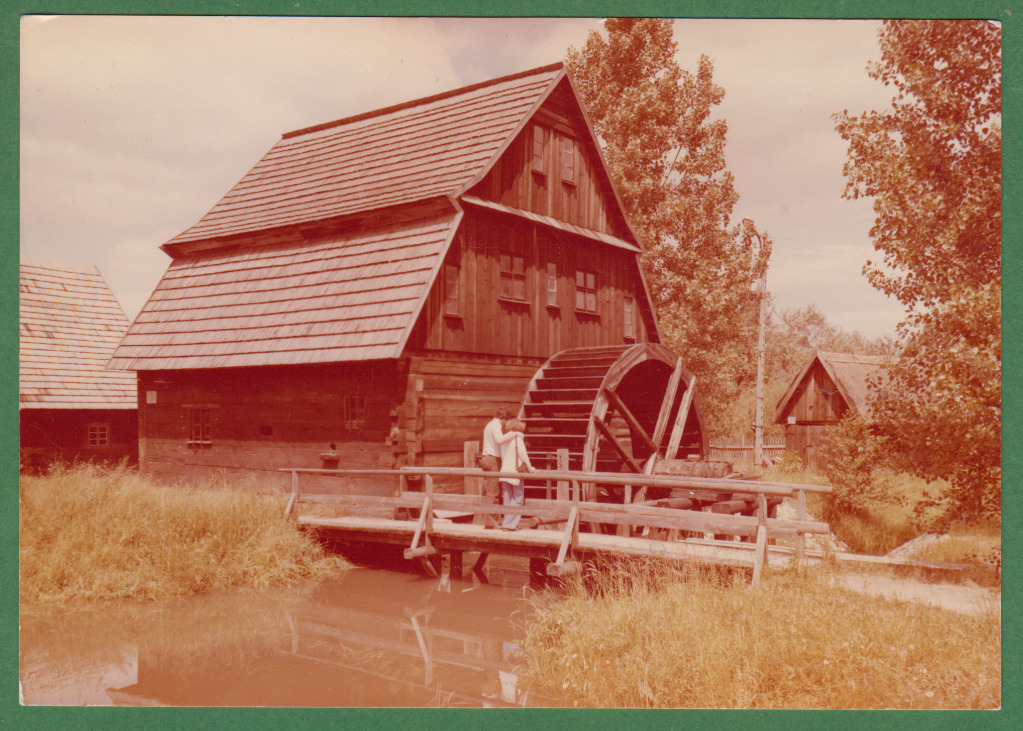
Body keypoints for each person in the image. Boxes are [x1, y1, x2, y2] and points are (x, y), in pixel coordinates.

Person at [480, 407, 520, 528]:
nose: (505, 423)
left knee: (490, 490)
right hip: (492, 460)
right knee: (493, 491)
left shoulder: (489, 425)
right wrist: (514, 434)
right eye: (506, 420)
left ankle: (493, 520)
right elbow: (500, 440)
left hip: (486, 458)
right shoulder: (496, 425)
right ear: (503, 418)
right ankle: (490, 522)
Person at [499, 419, 533, 531]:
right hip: (515, 472)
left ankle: (507, 523)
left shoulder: (504, 438)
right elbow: (523, 455)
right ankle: (509, 525)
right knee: (518, 497)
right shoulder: (517, 438)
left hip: (504, 471)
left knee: (507, 498)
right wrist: (530, 467)